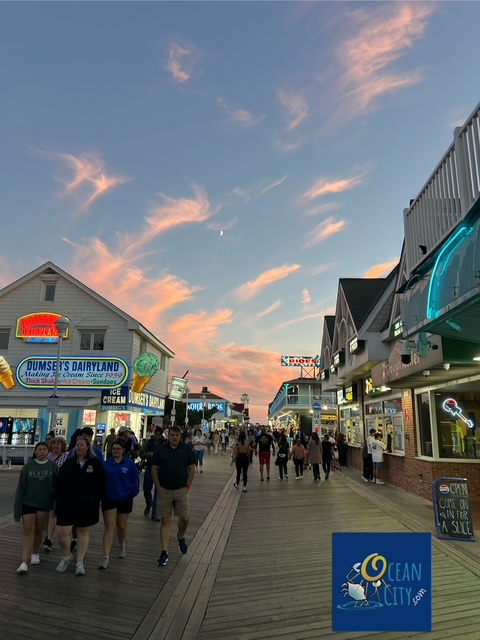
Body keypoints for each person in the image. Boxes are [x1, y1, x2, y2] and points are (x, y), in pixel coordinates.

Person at [55, 436, 106, 576]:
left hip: (86, 504)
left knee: (83, 531)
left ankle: (80, 561)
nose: (79, 447)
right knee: (62, 531)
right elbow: (59, 481)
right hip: (67, 502)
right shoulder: (69, 462)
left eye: (82, 445)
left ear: (87, 447)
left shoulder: (94, 463)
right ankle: (66, 556)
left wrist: (96, 499)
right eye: (77, 445)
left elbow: (101, 483)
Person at [151, 425, 195, 567]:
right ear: (168, 436)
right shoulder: (161, 450)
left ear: (180, 436)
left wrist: (188, 485)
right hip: (164, 490)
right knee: (165, 520)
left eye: (177, 434)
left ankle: (180, 536)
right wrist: (157, 486)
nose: (174, 437)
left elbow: (192, 468)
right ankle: (164, 551)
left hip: (181, 489)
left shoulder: (187, 450)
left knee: (185, 518)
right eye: (172, 434)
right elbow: (154, 468)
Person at [14, 442, 58, 574]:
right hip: (28, 502)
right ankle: (23, 562)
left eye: (45, 450)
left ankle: (35, 553)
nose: (42, 452)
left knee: (39, 529)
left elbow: (56, 487)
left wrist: (55, 505)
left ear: (47, 452)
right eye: (40, 449)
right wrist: (18, 509)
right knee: (28, 530)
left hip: (44, 504)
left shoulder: (53, 466)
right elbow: (21, 488)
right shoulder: (28, 467)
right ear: (35, 451)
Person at [98, 439, 139, 569]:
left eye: (118, 449)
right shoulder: (105, 464)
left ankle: (121, 544)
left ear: (123, 450)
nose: (116, 451)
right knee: (109, 526)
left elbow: (135, 480)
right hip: (108, 498)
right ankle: (106, 556)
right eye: (114, 448)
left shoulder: (129, 464)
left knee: (121, 525)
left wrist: (132, 493)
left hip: (124, 498)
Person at [43, 436, 69, 551]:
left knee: (52, 513)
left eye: (58, 444)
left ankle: (49, 539)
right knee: (47, 514)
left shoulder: (66, 457)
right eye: (53, 444)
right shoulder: (47, 456)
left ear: (62, 446)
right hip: (46, 488)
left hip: (60, 488)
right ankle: (48, 535)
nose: (55, 446)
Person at [141, 427, 164, 520]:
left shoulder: (165, 443)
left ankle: (155, 512)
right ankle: (148, 504)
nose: (157, 436)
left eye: (159, 434)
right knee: (146, 489)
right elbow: (142, 453)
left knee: (158, 491)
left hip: (160, 469)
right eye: (156, 434)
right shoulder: (149, 442)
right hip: (150, 467)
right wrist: (149, 455)